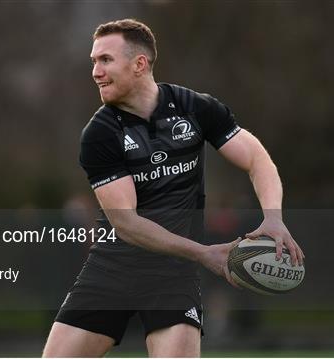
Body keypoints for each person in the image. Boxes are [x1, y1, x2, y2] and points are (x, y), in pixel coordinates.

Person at [43, 19, 304, 357]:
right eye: (93, 61)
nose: (95, 71)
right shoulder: (100, 134)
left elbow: (257, 159)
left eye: (105, 60)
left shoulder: (194, 107)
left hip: (172, 276)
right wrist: (204, 253)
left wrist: (274, 219)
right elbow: (128, 224)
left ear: (139, 64)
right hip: (111, 270)